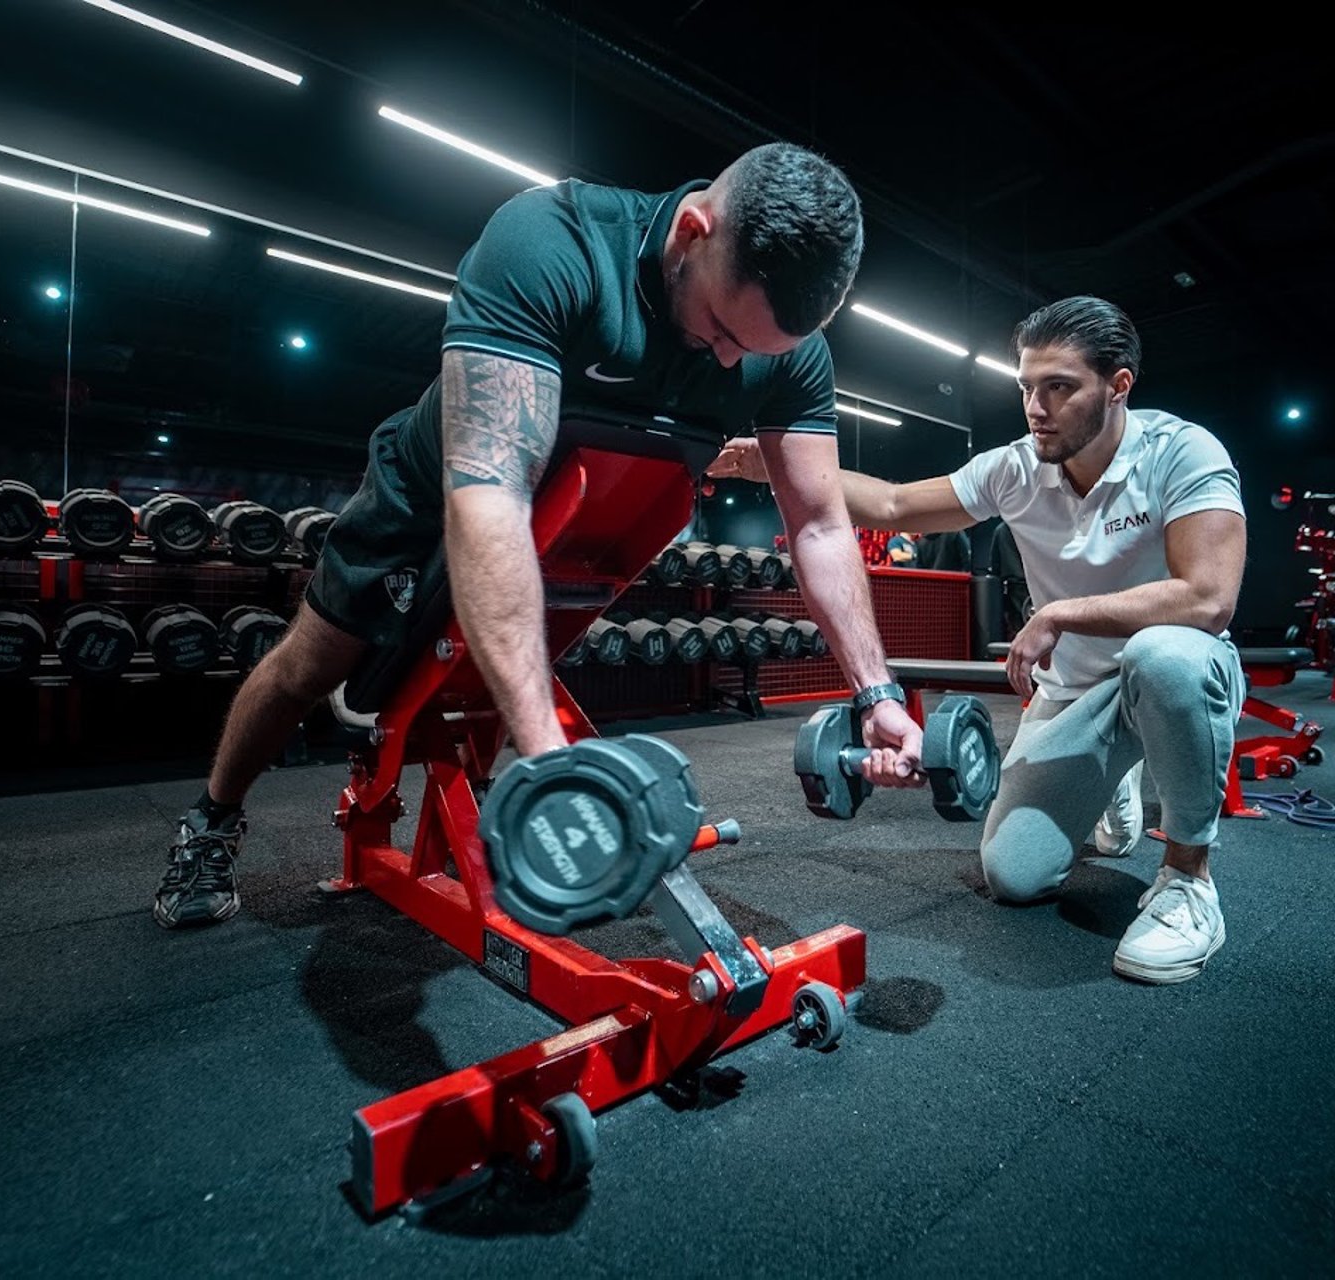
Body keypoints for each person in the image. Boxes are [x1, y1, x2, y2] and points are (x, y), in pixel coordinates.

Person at [154, 142, 926, 929]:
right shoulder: (555, 245)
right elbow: (488, 495)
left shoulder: (790, 353)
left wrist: (877, 692)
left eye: (760, 352)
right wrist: (548, 767)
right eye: (725, 330)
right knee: (308, 668)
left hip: (572, 524)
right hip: (430, 494)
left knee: (484, 677)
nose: (732, 360)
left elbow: (822, 526)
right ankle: (213, 817)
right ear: (694, 232)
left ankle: (475, 805)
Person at [707, 295, 1247, 984]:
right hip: (1075, 694)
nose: (1036, 407)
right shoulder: (1016, 468)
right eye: (1026, 386)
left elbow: (1208, 596)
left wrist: (1062, 614)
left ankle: (1189, 881)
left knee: (1164, 654)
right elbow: (897, 504)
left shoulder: (1181, 452)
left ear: (1118, 388)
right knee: (1014, 876)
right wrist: (771, 465)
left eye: (1059, 387)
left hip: (1169, 672)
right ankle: (1113, 774)